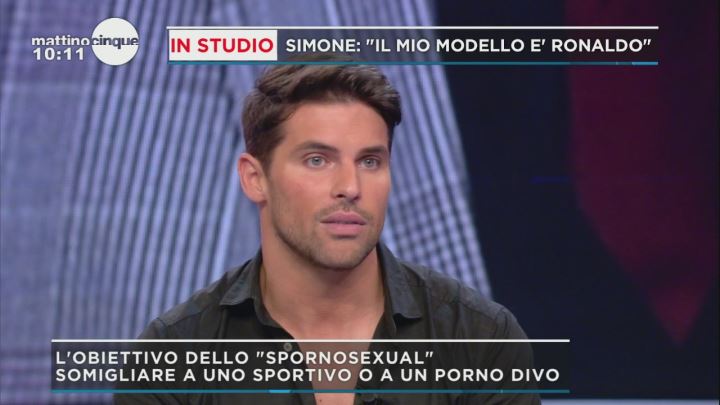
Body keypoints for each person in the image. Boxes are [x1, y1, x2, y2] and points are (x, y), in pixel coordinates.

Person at [115, 56, 540, 405]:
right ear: (255, 178)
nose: (350, 187)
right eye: (317, 160)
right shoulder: (172, 359)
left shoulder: (480, 339)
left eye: (370, 161)